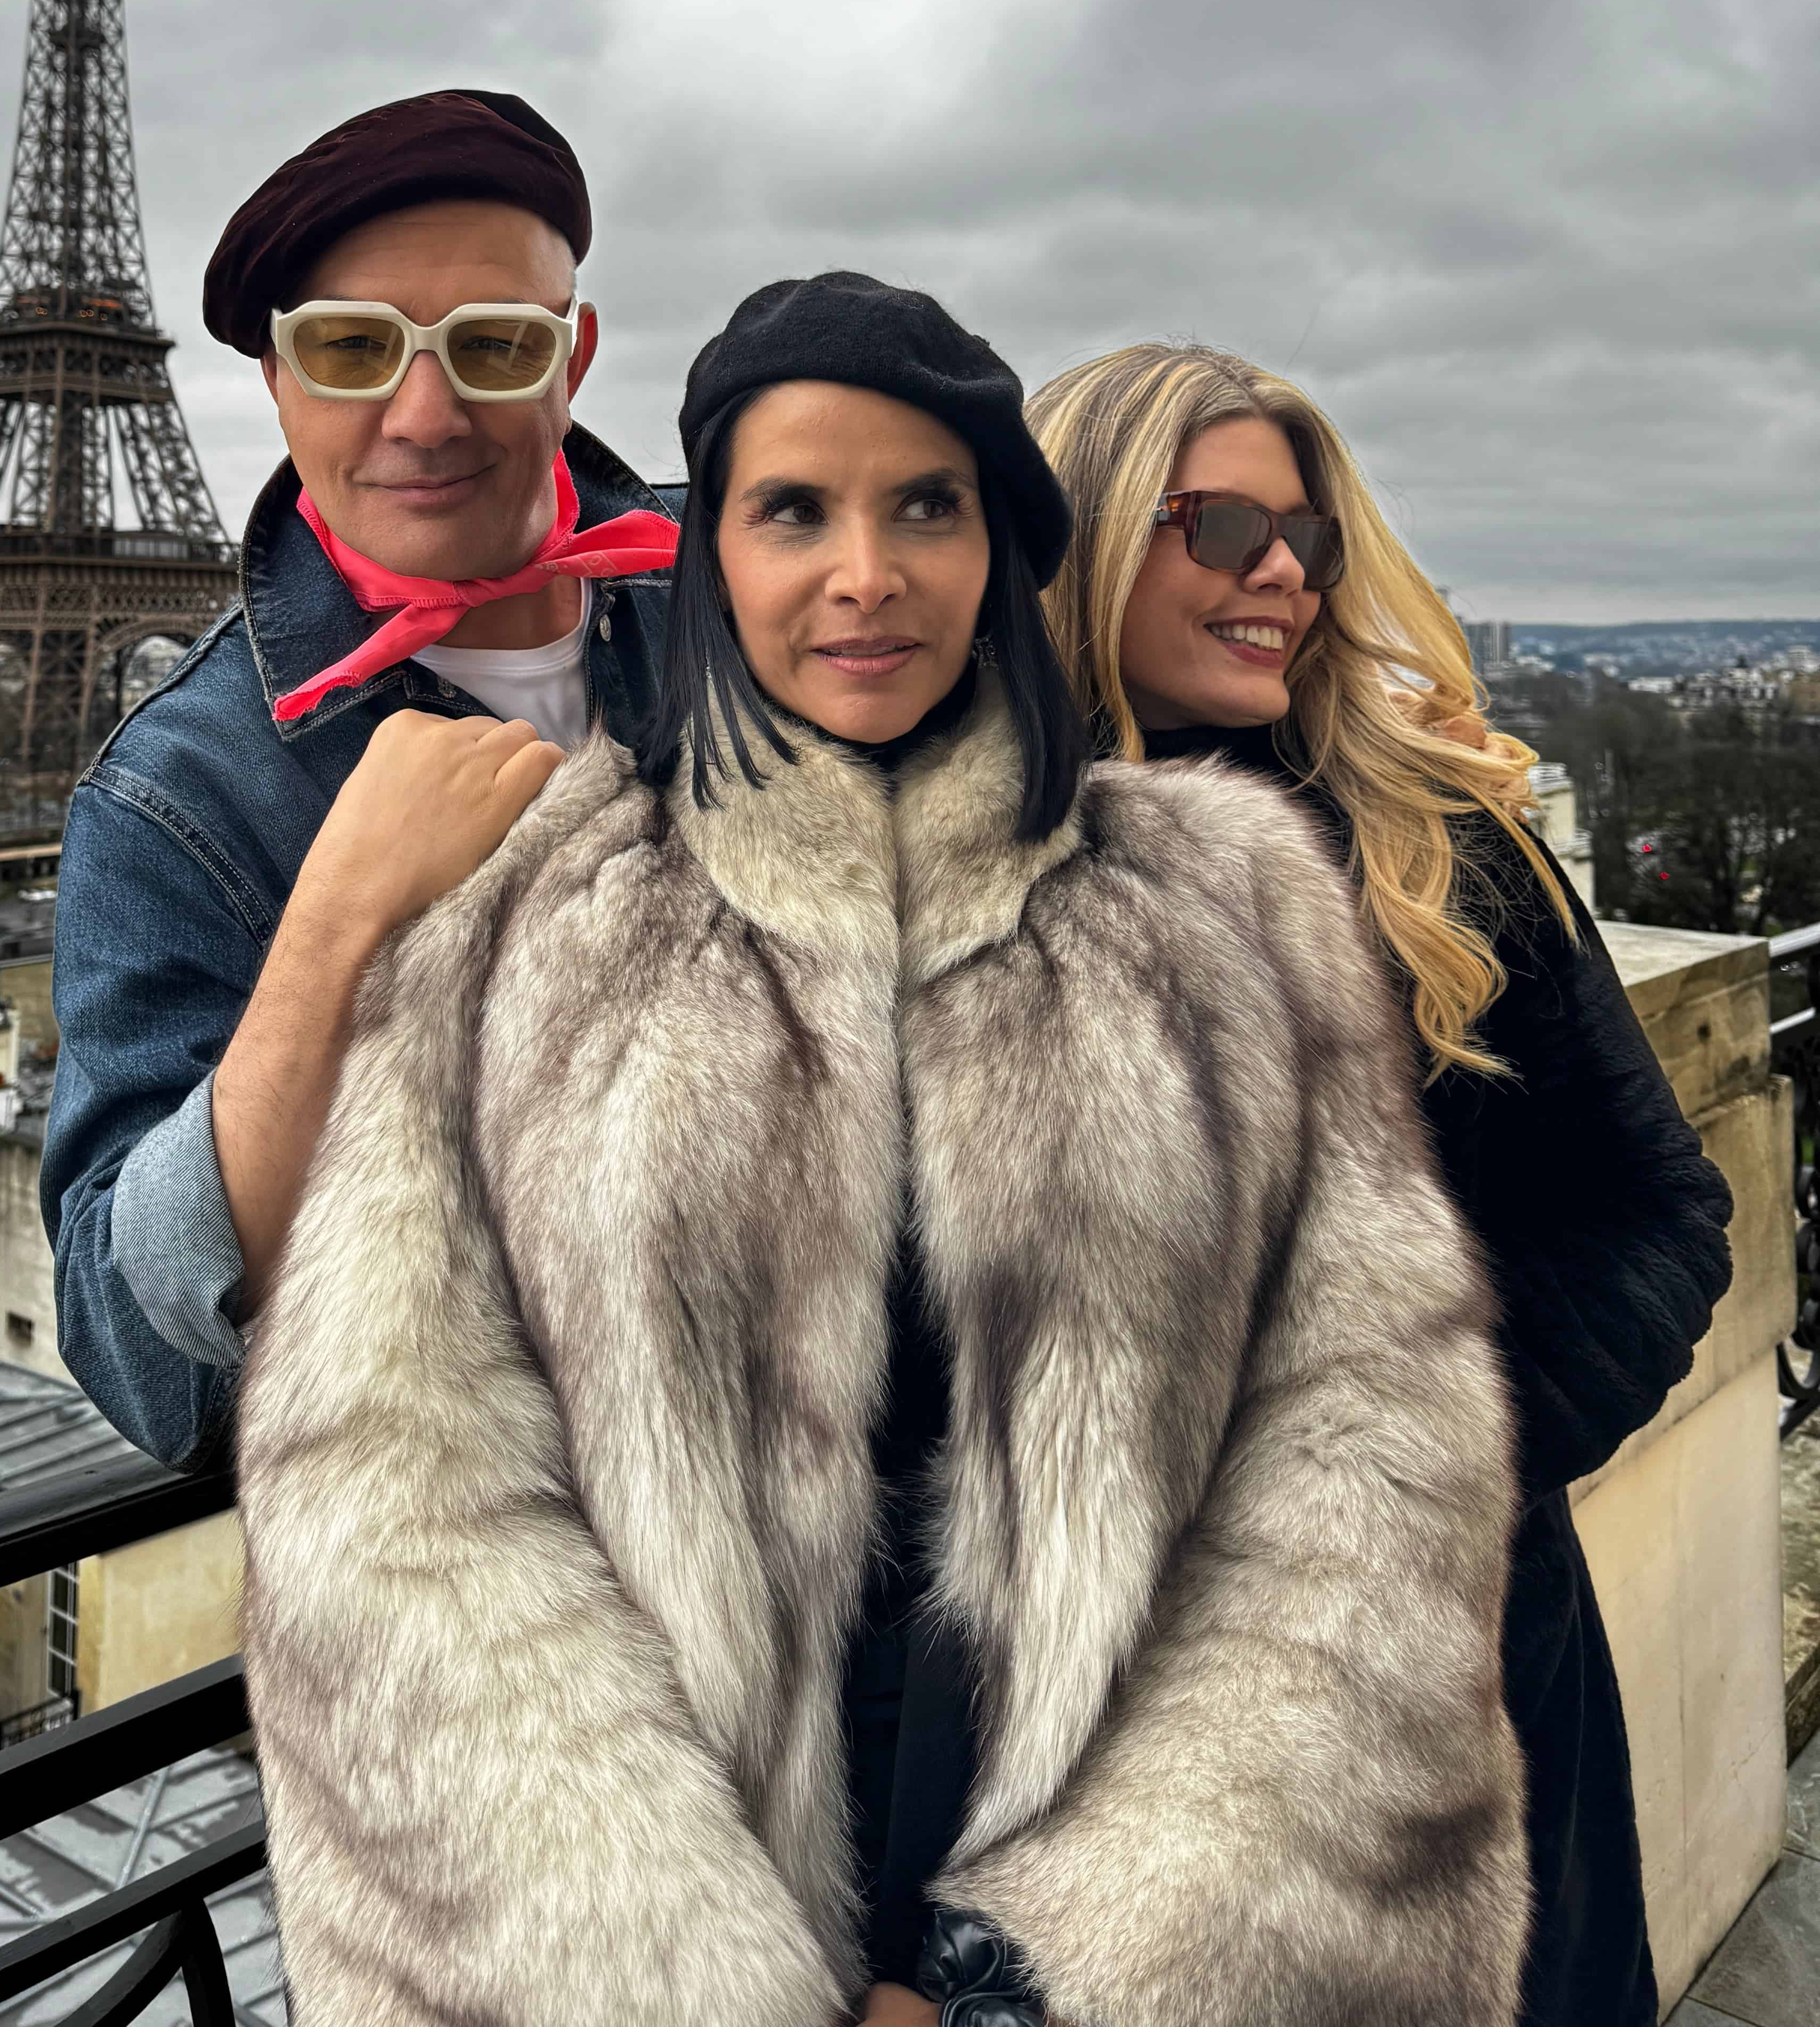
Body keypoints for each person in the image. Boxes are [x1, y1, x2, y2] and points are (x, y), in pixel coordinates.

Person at [239, 272, 1531, 2027]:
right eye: (792, 511)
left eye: (926, 505)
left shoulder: (1238, 901)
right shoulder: (508, 915)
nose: (865, 574)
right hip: (660, 1918)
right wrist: (677, 1975)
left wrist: (1059, 1974)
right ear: (713, 558)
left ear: (1001, 548)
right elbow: (386, 1496)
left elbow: (1367, 1456)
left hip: (1136, 1926)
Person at [1025, 340, 1735, 2027]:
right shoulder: (956, 866)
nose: (1281, 573)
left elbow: (1660, 1213)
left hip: (1464, 1658)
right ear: (1082, 537)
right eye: (1218, 528)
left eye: (1308, 537)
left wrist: (1422, 1467)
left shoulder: (1440, 838)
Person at [42, 88, 681, 1468]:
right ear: (276, 381)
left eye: (493, 345)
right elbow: (148, 1369)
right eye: (350, 348)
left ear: (570, 356)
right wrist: (336, 921)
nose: (425, 412)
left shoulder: (751, 592)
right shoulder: (180, 793)